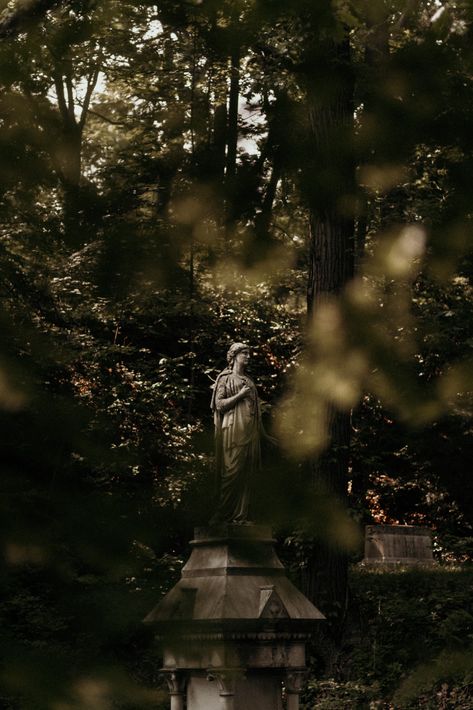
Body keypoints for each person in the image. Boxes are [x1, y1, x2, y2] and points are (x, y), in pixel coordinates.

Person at [210, 342, 262, 524]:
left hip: (250, 432)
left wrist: (263, 434)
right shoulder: (225, 379)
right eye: (244, 353)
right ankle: (221, 515)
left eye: (249, 353)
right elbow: (219, 405)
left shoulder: (250, 382)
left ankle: (241, 516)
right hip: (232, 430)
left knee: (246, 474)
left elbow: (257, 413)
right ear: (233, 356)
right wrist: (240, 394)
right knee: (231, 471)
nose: (248, 356)